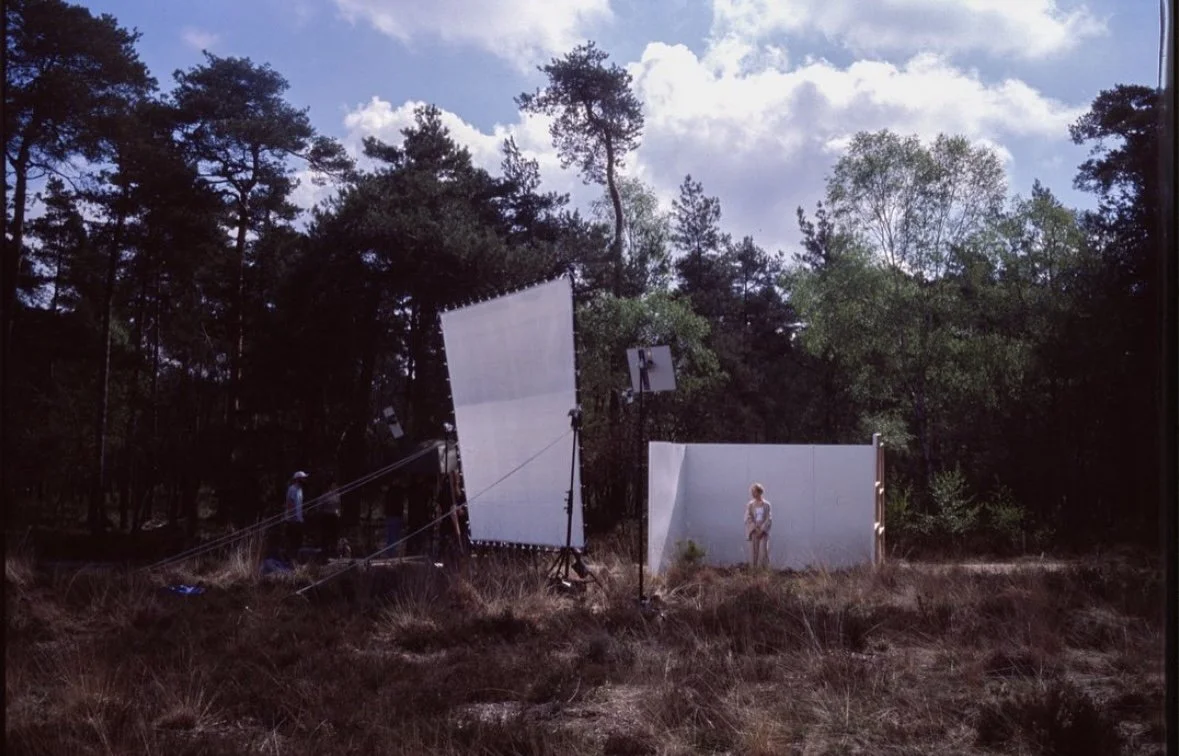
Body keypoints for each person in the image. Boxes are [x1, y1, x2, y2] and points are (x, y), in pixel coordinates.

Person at [744, 482, 772, 568]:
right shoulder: (750, 505)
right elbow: (748, 517)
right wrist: (755, 528)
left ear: (759, 492)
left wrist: (762, 529)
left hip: (763, 532)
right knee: (753, 553)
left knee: (763, 552)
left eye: (754, 491)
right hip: (754, 531)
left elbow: (769, 518)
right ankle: (754, 573)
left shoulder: (767, 505)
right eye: (752, 491)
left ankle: (763, 573)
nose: (752, 493)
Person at [284, 471, 308, 559]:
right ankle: (290, 559)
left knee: (299, 541)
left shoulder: (300, 490)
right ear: (298, 479)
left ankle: (296, 560)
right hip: (292, 520)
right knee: (292, 541)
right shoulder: (292, 489)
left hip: (299, 520)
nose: (305, 480)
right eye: (303, 478)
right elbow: (289, 504)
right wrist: (292, 518)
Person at [319, 473, 342, 557]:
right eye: (333, 485)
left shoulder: (337, 495)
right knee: (326, 535)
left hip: (334, 517)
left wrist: (339, 514)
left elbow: (339, 506)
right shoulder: (325, 496)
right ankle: (325, 551)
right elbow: (320, 506)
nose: (335, 486)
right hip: (326, 516)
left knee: (334, 535)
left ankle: (334, 551)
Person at [383, 481, 405, 557]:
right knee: (393, 535)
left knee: (391, 535)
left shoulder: (389, 491)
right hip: (395, 516)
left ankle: (391, 552)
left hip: (391, 515)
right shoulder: (397, 492)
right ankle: (391, 552)